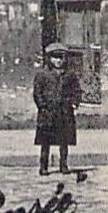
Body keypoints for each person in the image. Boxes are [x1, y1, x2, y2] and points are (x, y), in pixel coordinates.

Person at [33, 42, 81, 176]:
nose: (58, 61)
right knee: (45, 142)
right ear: (49, 59)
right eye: (55, 58)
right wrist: (42, 106)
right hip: (48, 112)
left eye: (61, 58)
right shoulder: (42, 75)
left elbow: (76, 91)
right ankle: (43, 166)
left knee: (64, 141)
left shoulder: (70, 75)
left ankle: (63, 165)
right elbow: (37, 93)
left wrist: (74, 103)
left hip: (64, 112)